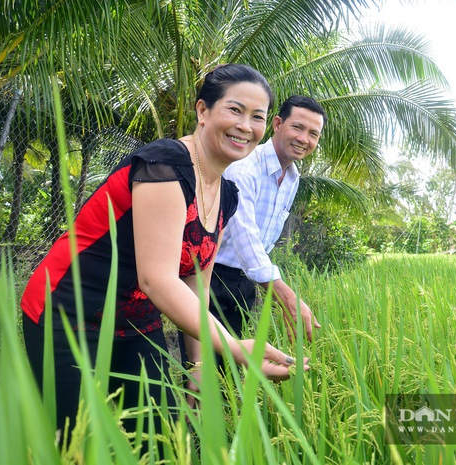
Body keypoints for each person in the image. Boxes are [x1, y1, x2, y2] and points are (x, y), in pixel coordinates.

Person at [20, 64, 308, 437]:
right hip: (68, 312)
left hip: (136, 320)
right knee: (78, 440)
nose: (245, 126)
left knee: (156, 436)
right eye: (234, 110)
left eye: (257, 117)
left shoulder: (226, 197)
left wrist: (200, 363)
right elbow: (157, 280)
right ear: (202, 111)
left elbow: (195, 285)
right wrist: (237, 349)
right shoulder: (165, 164)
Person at [209, 95, 326, 347]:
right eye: (298, 127)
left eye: (313, 134)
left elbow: (264, 240)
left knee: (230, 368)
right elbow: (245, 234)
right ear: (277, 124)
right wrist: (285, 295)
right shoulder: (245, 167)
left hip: (246, 281)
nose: (304, 139)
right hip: (211, 277)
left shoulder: (293, 178)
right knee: (205, 369)